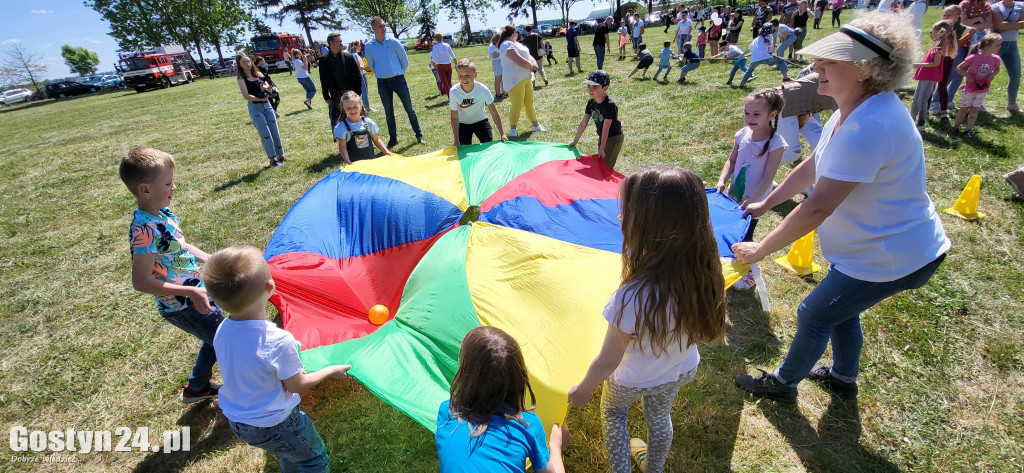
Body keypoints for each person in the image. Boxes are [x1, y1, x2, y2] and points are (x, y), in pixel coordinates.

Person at [732, 13, 951, 403]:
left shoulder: (872, 126)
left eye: (830, 61)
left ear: (866, 69)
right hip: (871, 249)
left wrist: (760, 250)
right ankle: (843, 377)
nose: (816, 67)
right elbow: (815, 164)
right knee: (841, 312)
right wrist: (769, 200)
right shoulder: (850, 109)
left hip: (890, 254)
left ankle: (783, 384)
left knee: (815, 314)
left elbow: (818, 207)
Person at [568, 166, 727, 473]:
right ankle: (654, 469)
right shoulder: (704, 273)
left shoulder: (630, 297)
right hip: (680, 370)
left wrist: (584, 388)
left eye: (626, 212)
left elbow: (607, 361)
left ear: (652, 227)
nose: (619, 218)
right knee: (659, 415)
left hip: (632, 380)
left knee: (613, 412)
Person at [204, 245, 351, 473]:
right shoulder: (279, 341)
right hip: (277, 423)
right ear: (270, 286)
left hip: (239, 421)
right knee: (312, 460)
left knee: (288, 451)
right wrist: (331, 370)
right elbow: (296, 384)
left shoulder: (223, 329)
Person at [120, 147, 224, 404]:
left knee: (216, 337)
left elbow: (180, 246)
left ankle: (197, 387)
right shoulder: (144, 230)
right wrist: (190, 291)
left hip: (194, 293)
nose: (174, 187)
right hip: (181, 305)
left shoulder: (162, 215)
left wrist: (209, 258)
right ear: (145, 190)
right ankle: (245, 389)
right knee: (225, 340)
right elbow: (141, 282)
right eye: (168, 183)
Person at [435, 326, 570, 473]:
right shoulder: (527, 425)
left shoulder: (448, 411)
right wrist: (556, 446)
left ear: (466, 374)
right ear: (520, 376)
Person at [715, 89, 787, 288]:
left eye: (756, 114)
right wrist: (722, 180)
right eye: (747, 113)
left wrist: (753, 200)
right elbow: (732, 160)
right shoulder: (742, 134)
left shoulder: (775, 143)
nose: (750, 118)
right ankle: (728, 261)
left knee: (745, 235)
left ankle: (747, 274)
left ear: (772, 115)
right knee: (730, 230)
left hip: (754, 202)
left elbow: (768, 178)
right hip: (734, 194)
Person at [364, 16, 426, 147]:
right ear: (373, 28)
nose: (383, 28)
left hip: (399, 81)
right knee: (388, 112)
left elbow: (404, 61)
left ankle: (419, 135)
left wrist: (397, 73)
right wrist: (382, 73)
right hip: (382, 83)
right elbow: (371, 65)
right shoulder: (369, 47)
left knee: (409, 109)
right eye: (380, 26)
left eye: (384, 25)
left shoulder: (394, 42)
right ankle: (393, 138)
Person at [237, 53, 287, 167]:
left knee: (275, 130)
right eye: (243, 62)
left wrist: (268, 90)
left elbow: (268, 87)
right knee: (265, 133)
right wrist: (260, 98)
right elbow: (246, 95)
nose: (247, 64)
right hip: (256, 107)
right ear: (239, 65)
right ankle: (272, 159)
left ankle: (281, 155)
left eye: (248, 61)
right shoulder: (241, 78)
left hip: (267, 105)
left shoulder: (258, 73)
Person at [951, 33, 1003, 137]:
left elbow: (997, 69)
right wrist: (967, 76)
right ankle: (956, 127)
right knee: (963, 108)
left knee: (975, 109)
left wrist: (993, 74)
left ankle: (968, 129)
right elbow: (959, 68)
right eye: (997, 44)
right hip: (970, 88)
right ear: (988, 46)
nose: (1000, 47)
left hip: (982, 89)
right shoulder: (973, 57)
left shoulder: (996, 59)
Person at [499, 25, 547, 137]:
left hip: (526, 78)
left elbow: (528, 55)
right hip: (514, 80)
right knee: (517, 105)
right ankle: (513, 130)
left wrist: (534, 63)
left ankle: (536, 126)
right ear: (513, 33)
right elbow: (517, 58)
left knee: (529, 104)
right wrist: (531, 66)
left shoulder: (517, 43)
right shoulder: (506, 44)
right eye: (516, 32)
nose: (518, 34)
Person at [569, 70, 624, 168]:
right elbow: (583, 123)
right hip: (602, 135)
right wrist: (575, 141)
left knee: (606, 166)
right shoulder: (591, 102)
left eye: (595, 87)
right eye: (589, 86)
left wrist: (602, 149)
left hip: (613, 138)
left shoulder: (610, 105)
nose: (590, 90)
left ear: (605, 88)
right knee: (600, 162)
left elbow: (606, 128)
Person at [449, 58, 507, 148]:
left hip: (481, 122)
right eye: (460, 76)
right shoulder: (454, 92)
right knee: (464, 150)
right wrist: (456, 139)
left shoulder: (482, 89)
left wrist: (502, 133)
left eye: (467, 75)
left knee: (488, 148)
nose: (464, 79)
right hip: (463, 124)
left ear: (475, 74)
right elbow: (454, 117)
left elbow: (494, 112)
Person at [911, 21, 955, 131]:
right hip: (924, 75)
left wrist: (917, 64)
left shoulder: (941, 47)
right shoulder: (937, 44)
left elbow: (936, 63)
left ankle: (921, 124)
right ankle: (911, 120)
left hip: (930, 77)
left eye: (933, 30)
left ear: (938, 32)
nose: (931, 33)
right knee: (916, 99)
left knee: (922, 101)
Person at [319, 33, 363, 138]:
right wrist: (326, 96)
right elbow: (323, 79)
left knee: (356, 118)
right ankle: (342, 143)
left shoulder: (348, 57)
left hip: (351, 94)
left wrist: (357, 92)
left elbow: (357, 75)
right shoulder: (324, 60)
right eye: (338, 41)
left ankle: (360, 139)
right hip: (336, 96)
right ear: (331, 43)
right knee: (338, 122)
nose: (341, 43)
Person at [334, 91, 391, 164]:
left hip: (371, 163)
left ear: (361, 105)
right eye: (348, 108)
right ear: (343, 108)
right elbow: (342, 146)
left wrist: (386, 151)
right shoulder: (342, 127)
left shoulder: (369, 123)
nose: (352, 110)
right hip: (354, 165)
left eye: (355, 107)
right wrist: (346, 159)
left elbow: (376, 140)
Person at [990, 0, 1024, 112]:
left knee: (1016, 73)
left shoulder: (1020, 6)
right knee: (985, 72)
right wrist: (1015, 24)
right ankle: (976, 102)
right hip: (994, 44)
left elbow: (1022, 24)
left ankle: (1012, 103)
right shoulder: (996, 7)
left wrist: (1006, 25)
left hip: (1012, 44)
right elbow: (999, 26)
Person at [349, 41, 375, 112]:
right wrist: (368, 68)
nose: (360, 47)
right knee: (364, 91)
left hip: (357, 76)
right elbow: (358, 67)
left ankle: (363, 107)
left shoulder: (352, 55)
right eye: (359, 46)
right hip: (361, 75)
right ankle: (367, 107)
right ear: (355, 46)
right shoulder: (355, 55)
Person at [488, 33, 508, 101]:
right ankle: (498, 94)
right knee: (498, 79)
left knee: (502, 78)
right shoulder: (492, 46)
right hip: (496, 62)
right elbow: (494, 56)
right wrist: (501, 51)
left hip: (500, 62)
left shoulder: (496, 46)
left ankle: (503, 91)